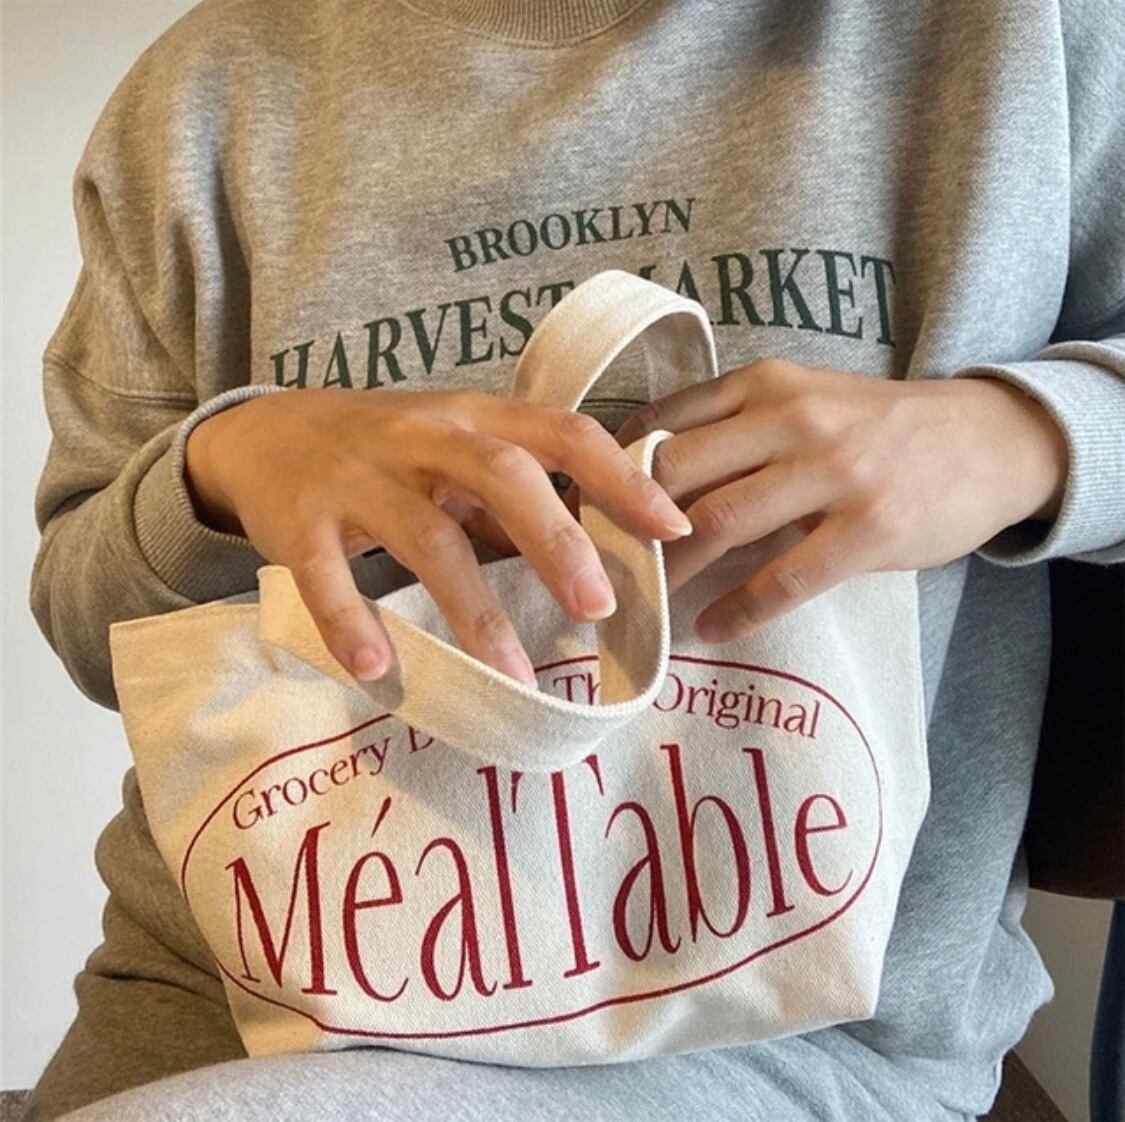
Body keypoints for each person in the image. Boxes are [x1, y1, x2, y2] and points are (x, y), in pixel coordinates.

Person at [20, 0, 1125, 1119]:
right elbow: (90, 624)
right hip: (228, 985)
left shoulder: (1024, 32)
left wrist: (1024, 439)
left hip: (775, 1029)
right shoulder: (199, 102)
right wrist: (219, 468)